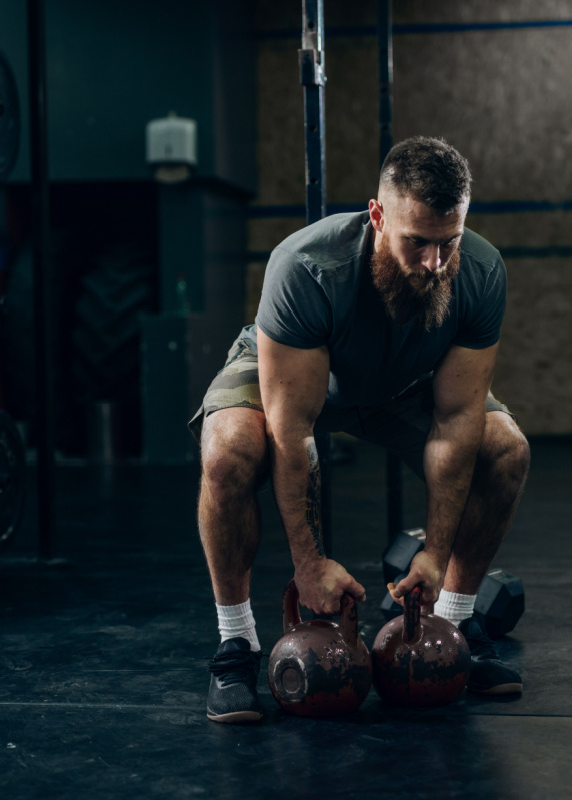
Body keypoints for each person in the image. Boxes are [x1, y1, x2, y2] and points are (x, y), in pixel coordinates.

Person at [189, 136, 530, 723]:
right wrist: (310, 564)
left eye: (448, 243)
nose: (435, 264)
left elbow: (456, 419)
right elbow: (292, 427)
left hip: (401, 380)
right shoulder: (307, 267)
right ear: (377, 216)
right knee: (228, 452)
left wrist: (434, 554)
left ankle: (454, 624)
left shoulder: (479, 272)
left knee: (505, 451)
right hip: (290, 371)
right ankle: (235, 642)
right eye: (416, 243)